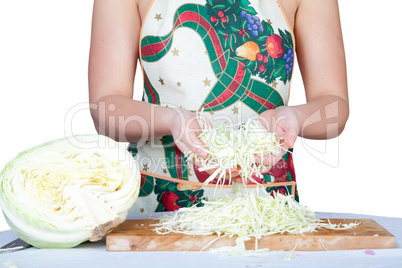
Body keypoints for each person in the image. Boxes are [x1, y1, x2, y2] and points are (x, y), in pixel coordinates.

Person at [88, 0, 348, 213]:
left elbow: (334, 104)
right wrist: (171, 120)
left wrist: (297, 117)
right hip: (159, 212)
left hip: (266, 212)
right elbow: (105, 108)